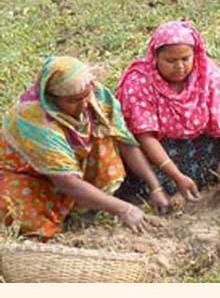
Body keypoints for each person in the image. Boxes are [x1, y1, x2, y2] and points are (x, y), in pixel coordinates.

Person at [0, 57, 168, 238]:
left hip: (71, 168)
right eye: (73, 100)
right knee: (18, 213)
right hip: (27, 174)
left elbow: (125, 142)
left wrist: (155, 186)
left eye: (86, 95)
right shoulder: (32, 118)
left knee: (105, 138)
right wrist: (123, 209)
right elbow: (65, 181)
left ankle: (83, 205)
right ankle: (70, 209)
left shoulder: (96, 95)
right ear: (51, 98)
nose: (84, 103)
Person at [115, 21, 220, 203]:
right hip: (163, 148)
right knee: (145, 176)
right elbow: (145, 136)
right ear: (156, 57)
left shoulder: (207, 73)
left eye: (186, 59)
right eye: (170, 61)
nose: (179, 66)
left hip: (203, 141)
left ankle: (219, 173)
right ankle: (169, 183)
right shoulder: (139, 83)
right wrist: (176, 176)